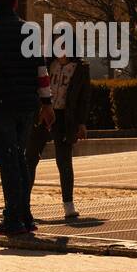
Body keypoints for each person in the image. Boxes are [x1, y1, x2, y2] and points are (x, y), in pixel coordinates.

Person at [0, 0, 54, 237]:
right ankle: (25, 215)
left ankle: (13, 219)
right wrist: (46, 102)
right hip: (27, 103)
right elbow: (41, 68)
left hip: (0, 103)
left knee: (8, 161)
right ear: (16, 3)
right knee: (20, 158)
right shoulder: (30, 30)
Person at [26, 42, 91, 220]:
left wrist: (81, 123)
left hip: (64, 118)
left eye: (65, 43)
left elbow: (84, 97)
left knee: (64, 161)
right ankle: (21, 203)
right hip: (43, 113)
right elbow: (35, 87)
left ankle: (68, 205)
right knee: (30, 158)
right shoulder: (47, 64)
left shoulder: (80, 68)